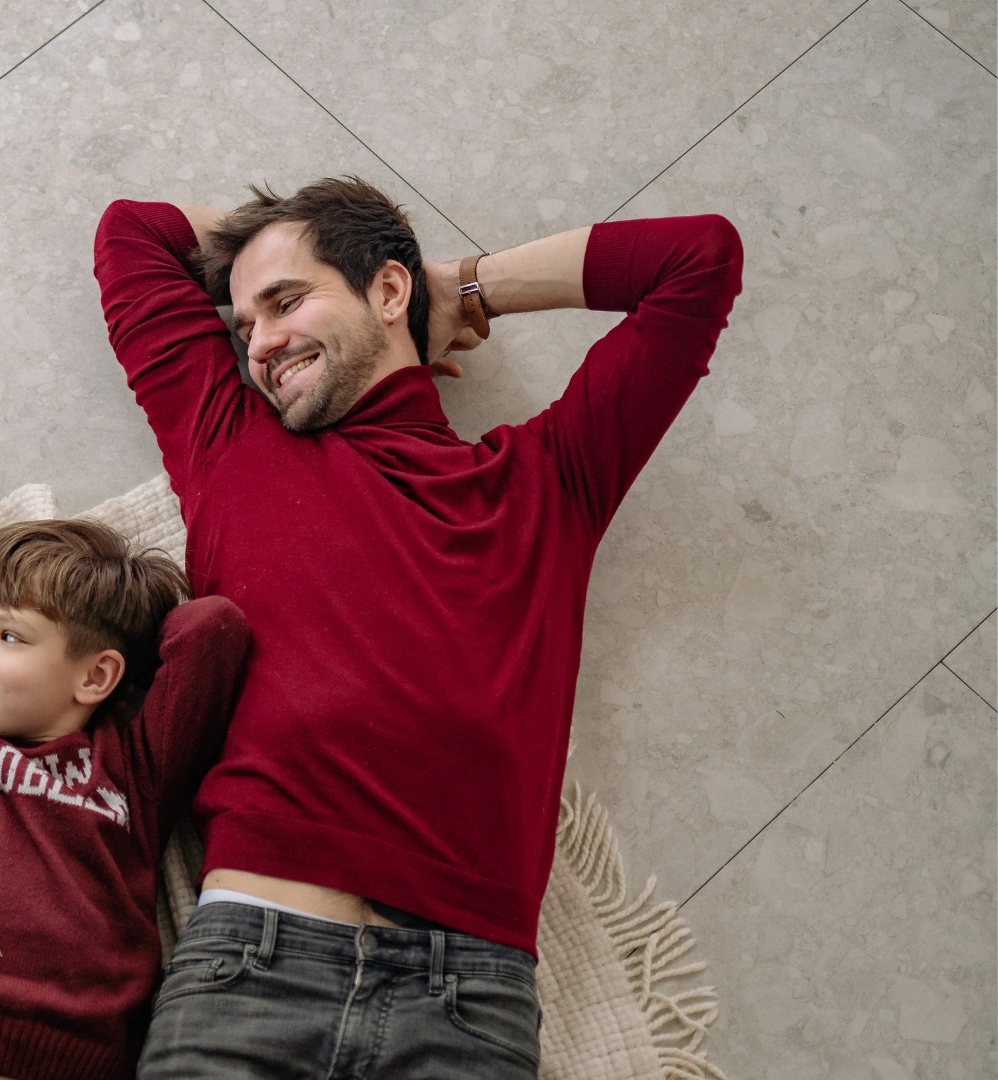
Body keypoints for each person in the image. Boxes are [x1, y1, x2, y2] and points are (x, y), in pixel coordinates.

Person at [93, 176, 743, 1077]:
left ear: (390, 291)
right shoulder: (228, 444)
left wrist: (463, 288)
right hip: (251, 965)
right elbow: (134, 234)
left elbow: (697, 259)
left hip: (470, 1002)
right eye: (243, 328)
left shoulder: (548, 483)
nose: (262, 345)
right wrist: (275, 258)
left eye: (285, 302)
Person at [0, 520, 250, 1080]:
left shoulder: (134, 769)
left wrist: (114, 629)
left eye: (9, 637)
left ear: (98, 675)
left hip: (88, 1052)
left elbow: (212, 628)